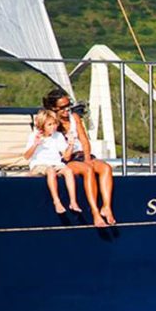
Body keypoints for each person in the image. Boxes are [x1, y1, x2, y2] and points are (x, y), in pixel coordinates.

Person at [43, 89, 116, 227]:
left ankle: (106, 207)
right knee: (87, 170)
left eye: (68, 105)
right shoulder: (51, 122)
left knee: (105, 167)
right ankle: (95, 213)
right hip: (66, 159)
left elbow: (84, 139)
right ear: (54, 108)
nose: (67, 109)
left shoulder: (74, 117)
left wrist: (87, 157)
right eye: (62, 107)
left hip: (81, 155)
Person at [24, 109, 82, 215]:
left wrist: (71, 145)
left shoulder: (58, 136)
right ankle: (57, 201)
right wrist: (35, 144)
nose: (53, 127)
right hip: (39, 165)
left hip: (56, 164)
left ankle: (73, 201)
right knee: (51, 171)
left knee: (68, 171)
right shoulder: (34, 136)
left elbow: (66, 156)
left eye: (54, 123)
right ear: (42, 125)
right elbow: (26, 156)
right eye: (49, 125)